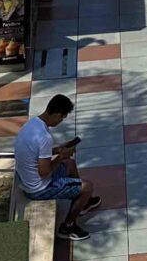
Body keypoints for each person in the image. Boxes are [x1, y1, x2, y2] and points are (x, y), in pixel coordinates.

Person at [13, 92, 101, 239]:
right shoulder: (44, 137)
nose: (61, 121)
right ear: (57, 114)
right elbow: (44, 173)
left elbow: (35, 153)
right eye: (62, 117)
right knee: (87, 187)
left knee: (70, 164)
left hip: (27, 180)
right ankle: (68, 226)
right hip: (39, 188)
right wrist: (61, 157)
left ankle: (82, 203)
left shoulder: (31, 125)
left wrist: (56, 150)